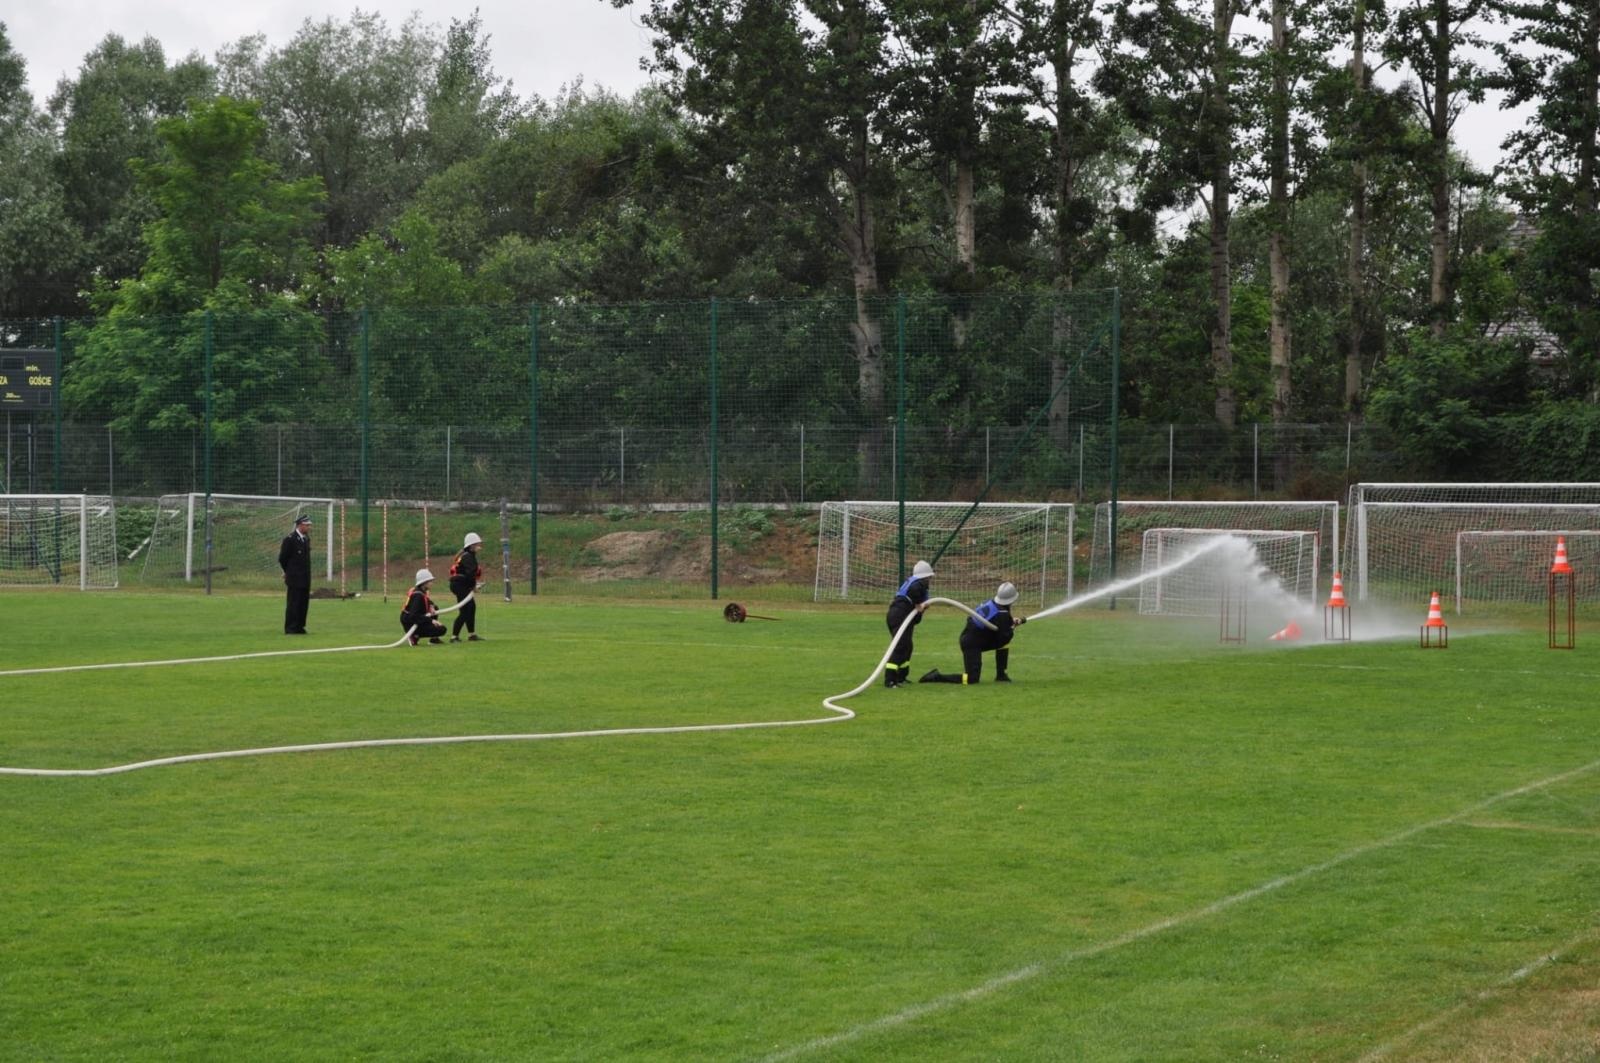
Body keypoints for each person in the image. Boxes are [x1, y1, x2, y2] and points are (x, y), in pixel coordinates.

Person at [921, 581, 1026, 685]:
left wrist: (1009, 623)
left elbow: (996, 621)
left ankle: (1001, 675)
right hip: (972, 644)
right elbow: (1005, 636)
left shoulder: (991, 603)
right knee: (971, 679)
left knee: (1003, 643)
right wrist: (1012, 627)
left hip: (973, 637)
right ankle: (937, 677)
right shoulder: (1002, 613)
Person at [883, 559, 935, 688]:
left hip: (899, 615)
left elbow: (915, 611)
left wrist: (921, 609)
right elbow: (914, 593)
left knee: (907, 647)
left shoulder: (914, 582)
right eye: (929, 577)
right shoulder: (918, 584)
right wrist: (918, 604)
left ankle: (901, 676)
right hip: (899, 616)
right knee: (900, 647)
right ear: (925, 576)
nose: (930, 580)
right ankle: (890, 679)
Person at [278, 513, 313, 635]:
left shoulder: (306, 539)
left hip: (305, 577)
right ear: (300, 525)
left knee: (303, 603)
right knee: (294, 603)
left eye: (309, 525)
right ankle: (291, 628)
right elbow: (283, 558)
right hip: (294, 578)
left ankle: (300, 626)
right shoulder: (290, 539)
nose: (309, 527)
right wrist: (288, 572)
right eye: (307, 525)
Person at [448, 532, 486, 642]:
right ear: (472, 545)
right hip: (459, 585)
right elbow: (470, 574)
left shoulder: (467, 556)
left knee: (471, 607)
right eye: (477, 544)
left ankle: (471, 634)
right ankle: (454, 636)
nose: (480, 546)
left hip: (461, 585)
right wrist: (474, 586)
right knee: (465, 610)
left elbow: (469, 574)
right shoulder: (468, 557)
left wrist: (473, 585)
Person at [401, 568, 448, 645]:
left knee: (435, 608)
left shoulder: (420, 591)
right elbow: (414, 616)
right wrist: (431, 621)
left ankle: (433, 639)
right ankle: (414, 635)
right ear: (424, 582)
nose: (432, 583)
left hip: (411, 619)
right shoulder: (418, 595)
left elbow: (426, 601)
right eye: (430, 581)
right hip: (410, 622)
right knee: (442, 629)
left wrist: (431, 605)